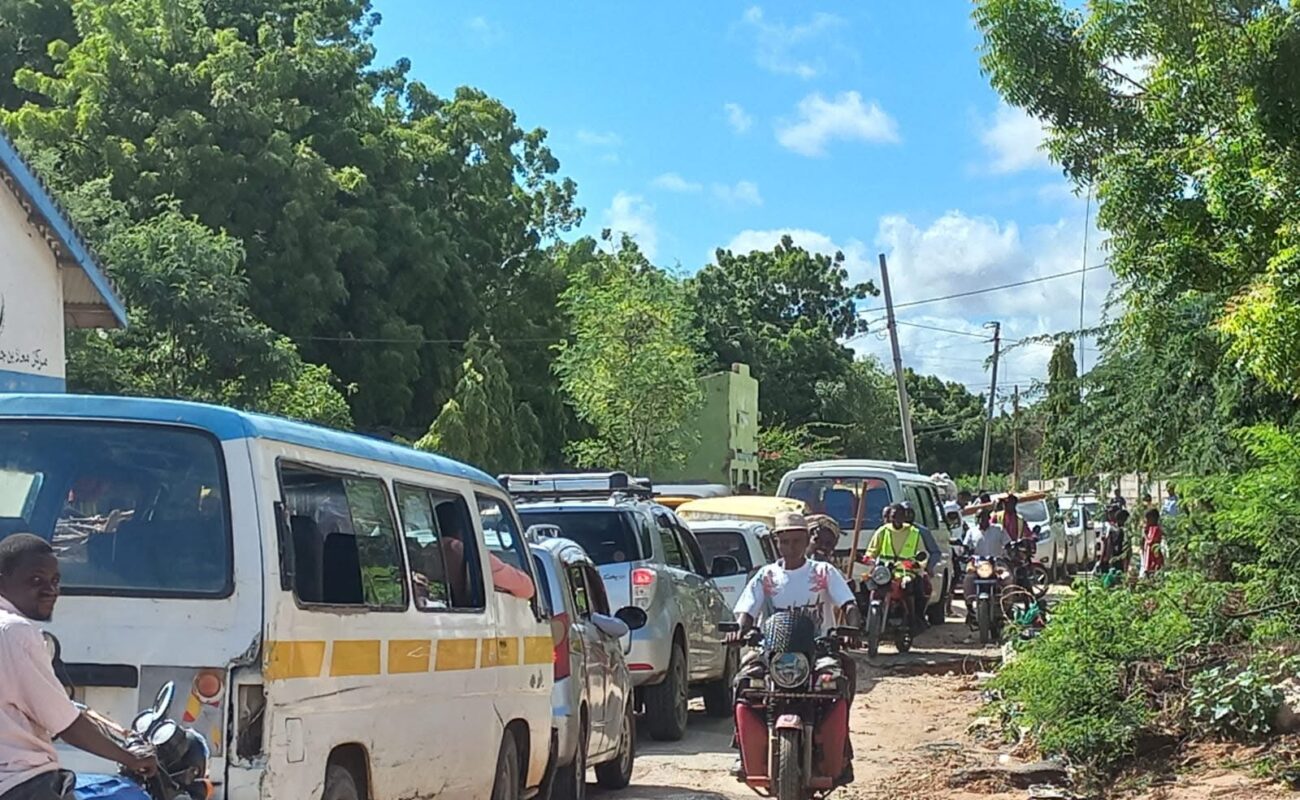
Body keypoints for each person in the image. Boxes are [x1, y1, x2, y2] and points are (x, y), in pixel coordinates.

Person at [0, 534, 158, 800]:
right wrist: (131, 759)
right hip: (21, 784)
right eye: (36, 580)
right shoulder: (15, 632)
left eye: (55, 581)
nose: (50, 590)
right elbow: (65, 723)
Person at [729, 512, 859, 781]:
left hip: (819, 652)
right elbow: (746, 611)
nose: (791, 547)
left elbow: (848, 603)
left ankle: (841, 748)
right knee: (743, 680)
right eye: (785, 541)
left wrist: (853, 629)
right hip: (771, 653)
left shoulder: (823, 572)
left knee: (843, 674)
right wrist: (740, 630)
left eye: (797, 540)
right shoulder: (766, 576)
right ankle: (741, 747)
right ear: (776, 542)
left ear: (807, 540)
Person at [865, 503, 928, 631]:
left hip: (905, 573)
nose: (896, 519)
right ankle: (866, 618)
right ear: (889, 517)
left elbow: (922, 554)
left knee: (909, 586)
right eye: (894, 516)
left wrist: (917, 563)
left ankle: (912, 620)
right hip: (885, 572)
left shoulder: (914, 532)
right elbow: (872, 551)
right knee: (867, 585)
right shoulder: (883, 531)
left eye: (900, 516)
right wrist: (868, 558)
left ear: (905, 517)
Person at [961, 510, 1011, 620]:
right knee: (968, 579)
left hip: (996, 563)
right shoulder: (971, 531)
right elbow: (966, 548)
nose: (981, 520)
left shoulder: (999, 529)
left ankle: (1007, 606)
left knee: (1007, 578)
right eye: (979, 517)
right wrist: (965, 554)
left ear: (988, 518)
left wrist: (1009, 553)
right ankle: (969, 607)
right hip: (977, 564)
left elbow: (1008, 544)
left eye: (984, 517)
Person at [1140, 508, 1164, 578]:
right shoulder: (1149, 529)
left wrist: (1145, 534)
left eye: (1148, 519)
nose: (1147, 521)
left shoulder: (1156, 529)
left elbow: (1150, 541)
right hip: (1148, 558)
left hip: (1154, 558)